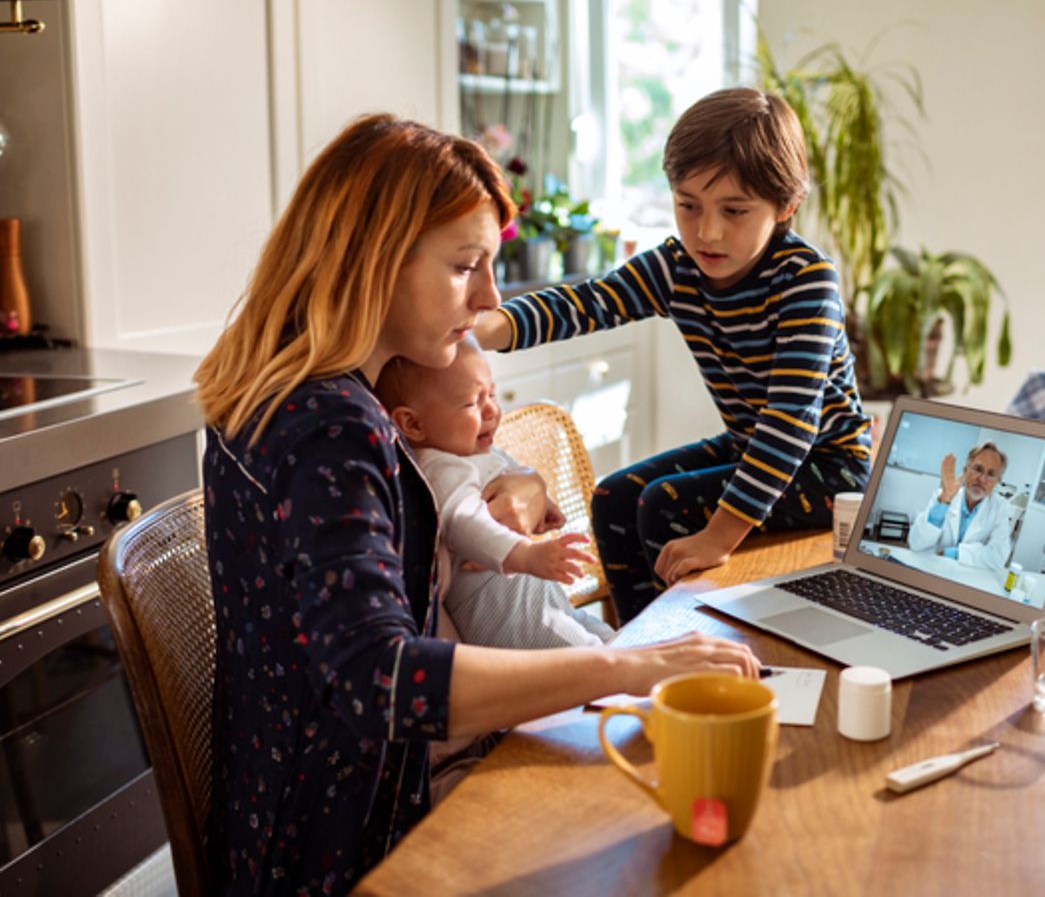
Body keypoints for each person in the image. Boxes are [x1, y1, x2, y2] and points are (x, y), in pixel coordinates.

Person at [194, 113, 758, 894]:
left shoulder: (289, 394)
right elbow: (382, 681)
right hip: (347, 844)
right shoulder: (331, 428)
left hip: (286, 809)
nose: (491, 297)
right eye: (467, 266)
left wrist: (517, 487)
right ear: (375, 261)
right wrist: (627, 666)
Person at [475, 87, 872, 623]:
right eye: (688, 205)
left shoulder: (805, 281)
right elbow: (587, 302)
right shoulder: (676, 266)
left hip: (832, 469)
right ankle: (637, 642)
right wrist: (482, 328)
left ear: (786, 207)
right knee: (615, 497)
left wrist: (720, 536)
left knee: (663, 504)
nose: (707, 232)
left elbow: (789, 426)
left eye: (734, 211)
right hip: (750, 446)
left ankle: (678, 643)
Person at [374, 339, 613, 649]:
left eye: (492, 394)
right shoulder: (438, 467)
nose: (492, 410)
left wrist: (543, 504)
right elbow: (464, 520)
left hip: (537, 602)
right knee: (594, 660)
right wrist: (525, 554)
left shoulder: (472, 450)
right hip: (501, 613)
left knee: (613, 640)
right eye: (473, 402)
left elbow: (507, 470)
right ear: (413, 423)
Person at [907, 443, 1014, 569]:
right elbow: (915, 544)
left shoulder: (1000, 507)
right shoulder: (942, 495)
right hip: (932, 569)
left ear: (997, 481)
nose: (982, 479)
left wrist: (951, 553)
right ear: (965, 470)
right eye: (978, 469)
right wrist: (945, 499)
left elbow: (998, 556)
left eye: (991, 474)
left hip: (969, 577)